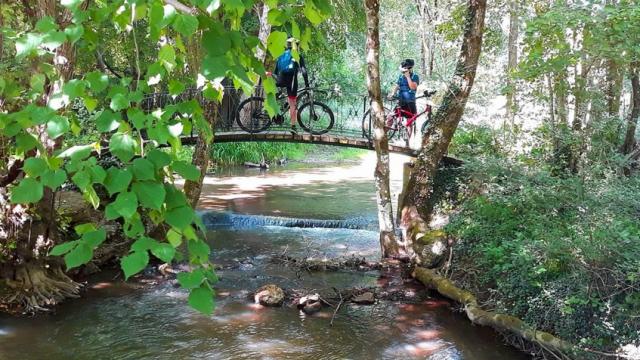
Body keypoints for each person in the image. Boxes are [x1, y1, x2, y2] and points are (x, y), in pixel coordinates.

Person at [269, 37, 310, 135]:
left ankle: (276, 112)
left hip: (280, 79)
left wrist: (277, 81)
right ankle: (293, 127)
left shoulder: (281, 55)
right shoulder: (297, 55)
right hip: (291, 81)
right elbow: (304, 71)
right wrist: (307, 84)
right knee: (293, 104)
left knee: (280, 98)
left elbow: (275, 72)